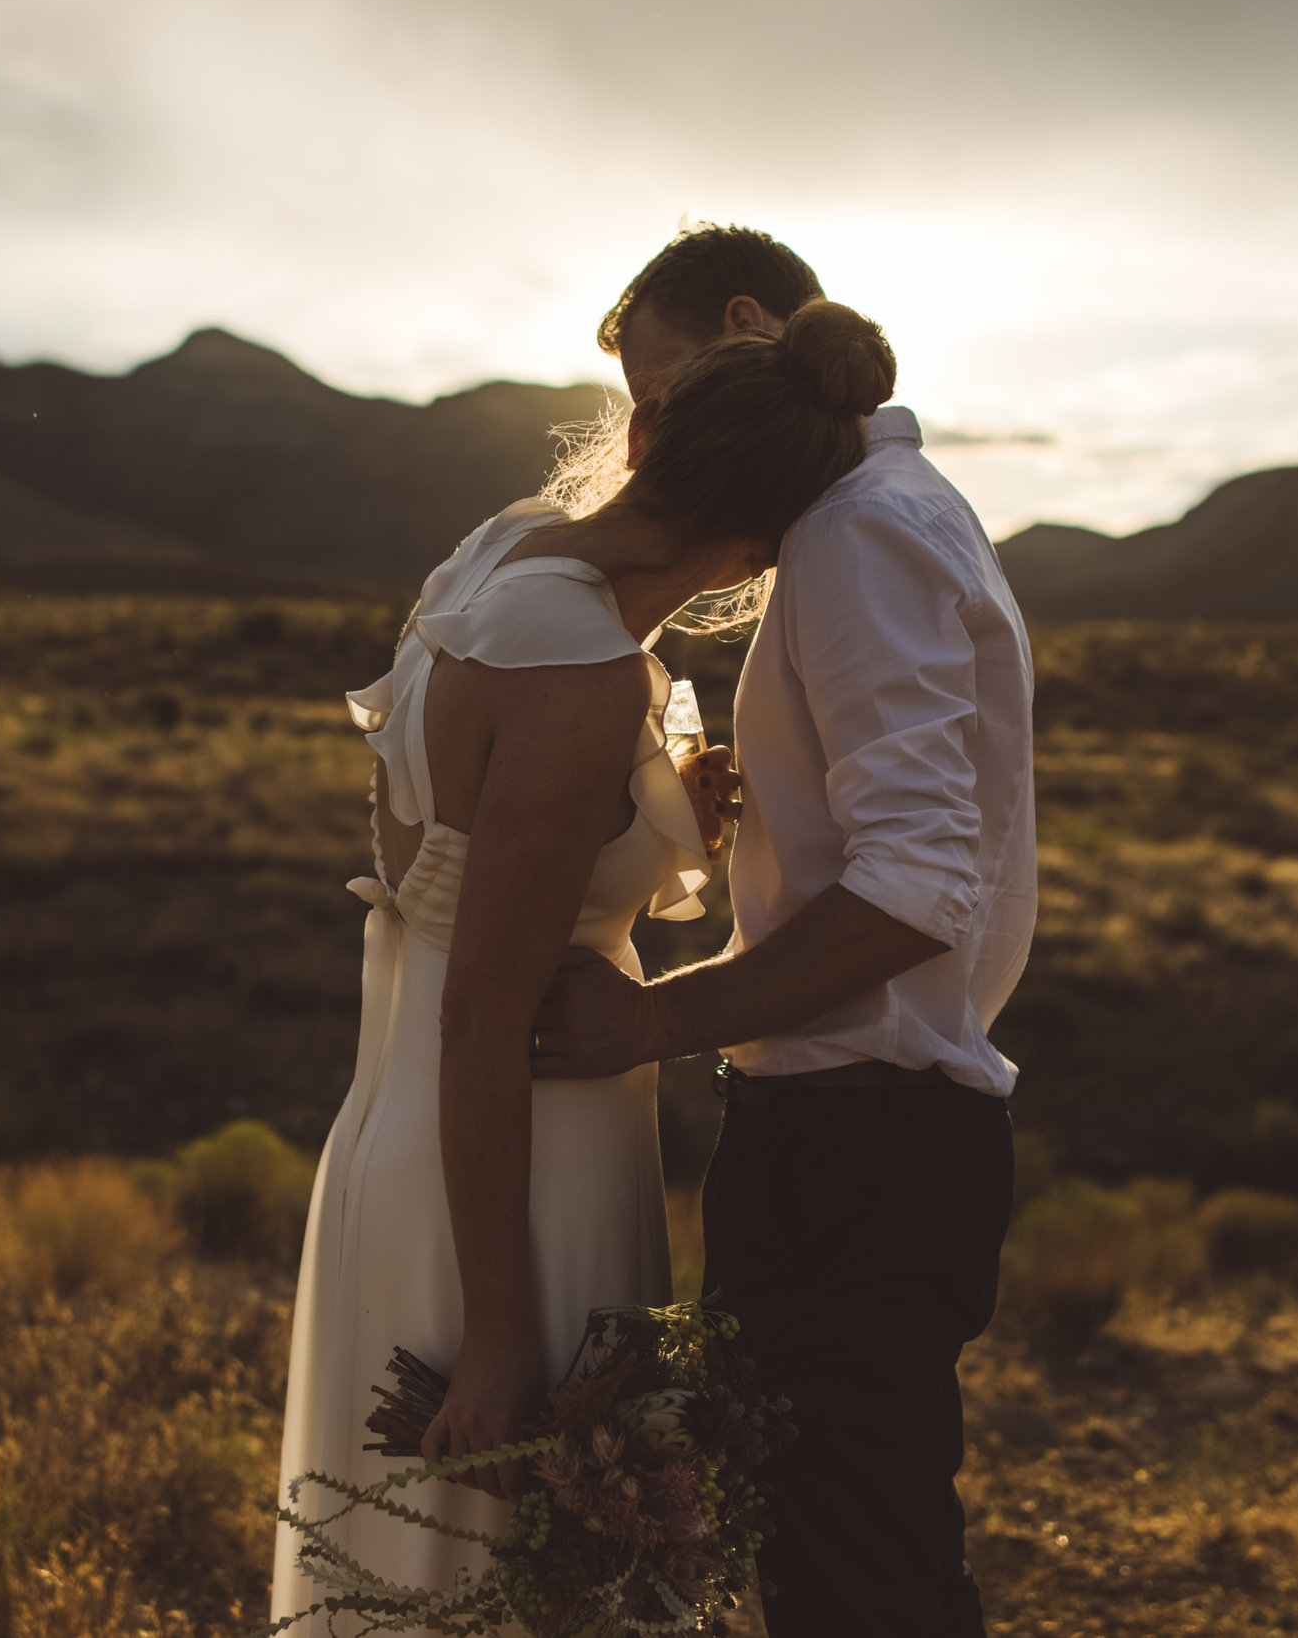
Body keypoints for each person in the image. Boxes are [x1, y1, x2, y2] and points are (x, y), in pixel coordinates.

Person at [269, 296, 902, 1624]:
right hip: (507, 1167)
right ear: (756, 550)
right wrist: (500, 1327)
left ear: (653, 428)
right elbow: (485, 1012)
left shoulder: (506, 553)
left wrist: (659, 805)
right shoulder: (583, 670)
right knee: (508, 1582)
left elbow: (439, 848)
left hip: (414, 1123)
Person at [531, 226, 1039, 1638]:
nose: (649, 437)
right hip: (862, 1133)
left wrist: (655, 1017)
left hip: (860, 1145)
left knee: (855, 1577)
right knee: (832, 1554)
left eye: (658, 388)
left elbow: (921, 880)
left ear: (745, 325)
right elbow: (892, 838)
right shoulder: (883, 512)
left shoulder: (861, 527)